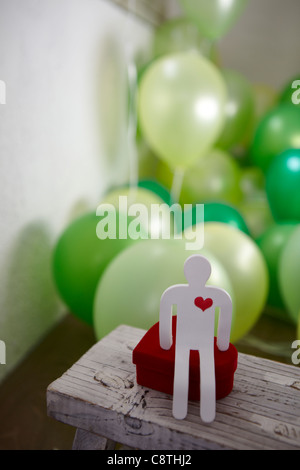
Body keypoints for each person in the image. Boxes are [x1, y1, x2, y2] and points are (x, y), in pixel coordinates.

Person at [159, 254, 232, 423]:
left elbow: (165, 309)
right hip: (200, 341)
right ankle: (202, 411)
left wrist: (166, 342)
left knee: (183, 370)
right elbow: (226, 309)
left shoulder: (175, 292)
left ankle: (182, 409)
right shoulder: (218, 294)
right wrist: (222, 343)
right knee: (206, 370)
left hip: (186, 340)